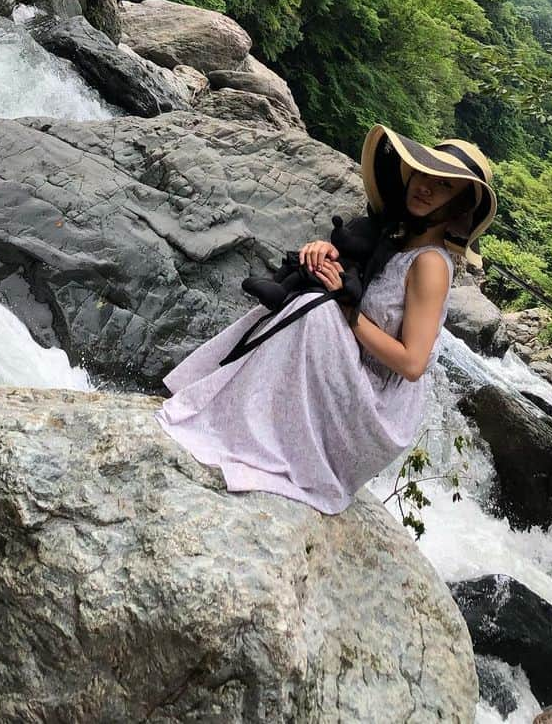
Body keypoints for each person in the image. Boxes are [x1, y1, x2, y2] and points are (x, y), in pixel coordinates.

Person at [155, 125, 498, 513]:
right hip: (355, 378)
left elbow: (413, 363)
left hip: (378, 407)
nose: (426, 186)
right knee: (312, 297)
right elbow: (352, 281)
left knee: (317, 311)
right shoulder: (396, 241)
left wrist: (349, 314)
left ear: (458, 208)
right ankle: (227, 412)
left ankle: (239, 426)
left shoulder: (431, 264)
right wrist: (325, 253)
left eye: (444, 186)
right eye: (423, 173)